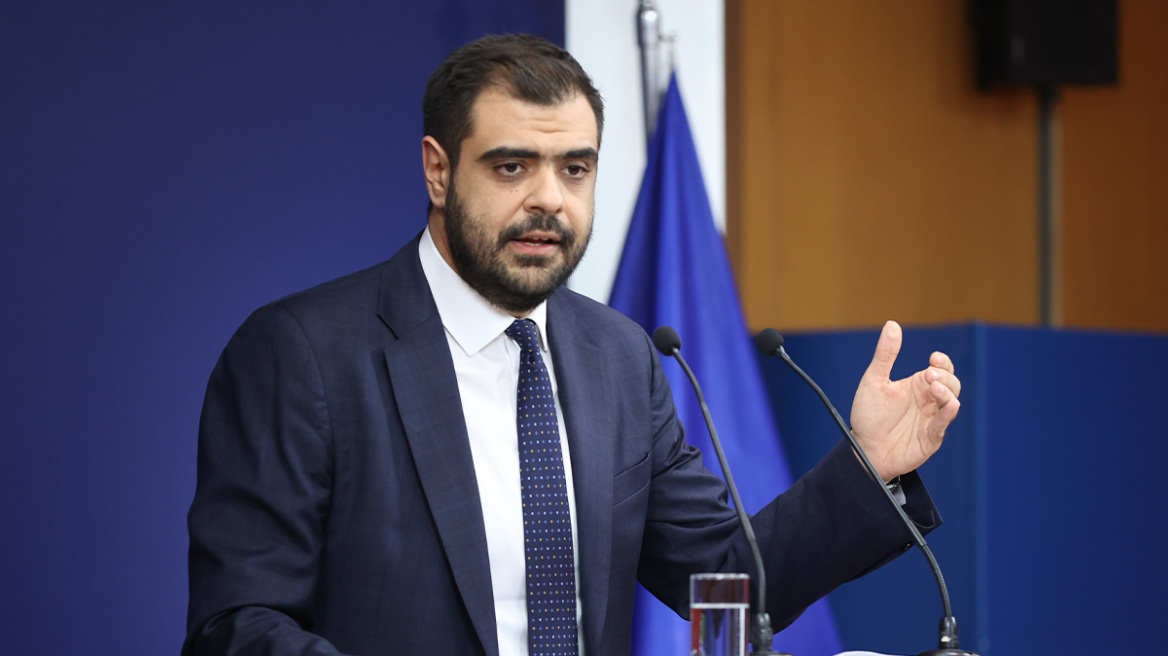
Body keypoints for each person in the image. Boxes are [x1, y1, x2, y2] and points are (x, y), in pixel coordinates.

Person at [184, 34, 961, 656]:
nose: (549, 199)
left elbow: (724, 580)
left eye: (575, 168)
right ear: (438, 171)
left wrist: (868, 466)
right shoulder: (303, 354)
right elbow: (238, 625)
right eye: (511, 166)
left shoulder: (620, 357)